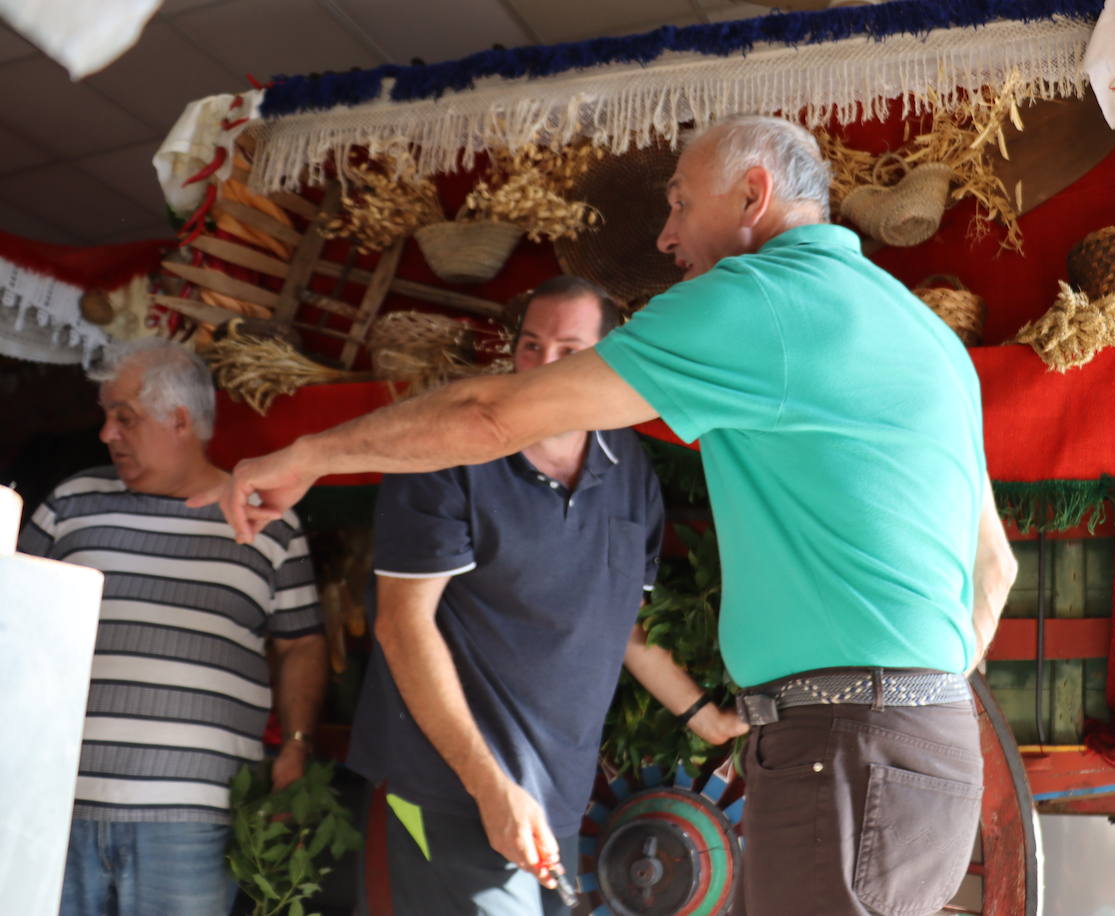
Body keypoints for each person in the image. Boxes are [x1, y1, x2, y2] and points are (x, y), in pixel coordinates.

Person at [198, 114, 1017, 915]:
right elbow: (995, 568)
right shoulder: (925, 332)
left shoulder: (760, 298)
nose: (666, 236)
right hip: (925, 748)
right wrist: (914, 697)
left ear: (753, 195)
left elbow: (491, 416)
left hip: (845, 749)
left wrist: (305, 455)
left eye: (680, 203)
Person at [348, 276, 746, 915]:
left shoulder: (629, 468)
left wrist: (706, 717)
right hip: (448, 785)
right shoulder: (448, 455)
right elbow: (401, 625)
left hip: (554, 792)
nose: (540, 368)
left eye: (567, 351)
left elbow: (621, 618)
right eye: (530, 347)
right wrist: (488, 787)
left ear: (611, 362)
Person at [19, 339, 327, 916]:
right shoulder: (68, 504)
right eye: (107, 417)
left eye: (124, 418)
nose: (107, 433)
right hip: (55, 804)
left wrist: (297, 745)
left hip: (193, 817)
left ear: (178, 420)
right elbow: (11, 618)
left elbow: (301, 642)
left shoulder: (266, 518)